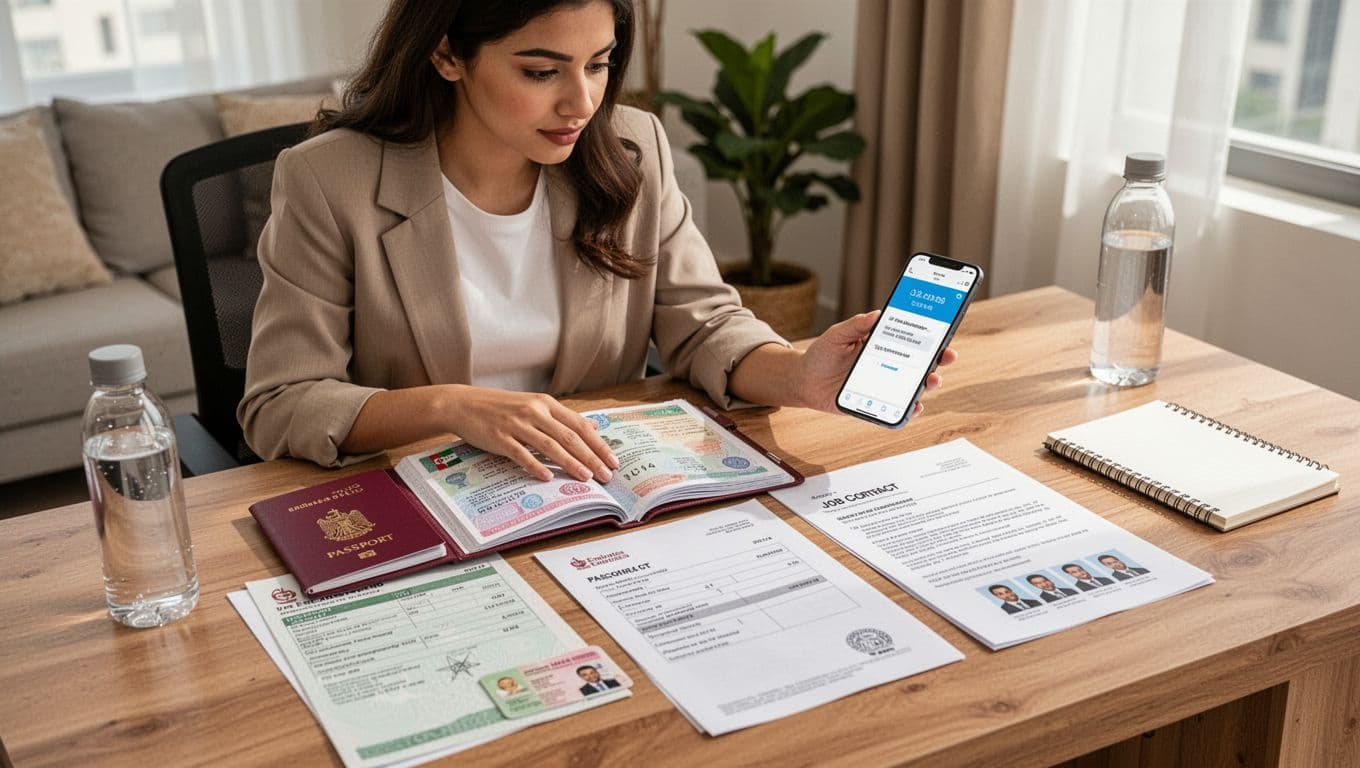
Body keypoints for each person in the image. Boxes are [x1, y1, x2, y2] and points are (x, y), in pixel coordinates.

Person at [237, 0, 957, 473]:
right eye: (542, 70)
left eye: (600, 63)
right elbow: (280, 402)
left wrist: (799, 377)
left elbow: (704, 324)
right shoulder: (328, 179)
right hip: (421, 500)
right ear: (449, 56)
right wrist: (449, 405)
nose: (582, 102)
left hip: (593, 493)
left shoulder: (630, 147)